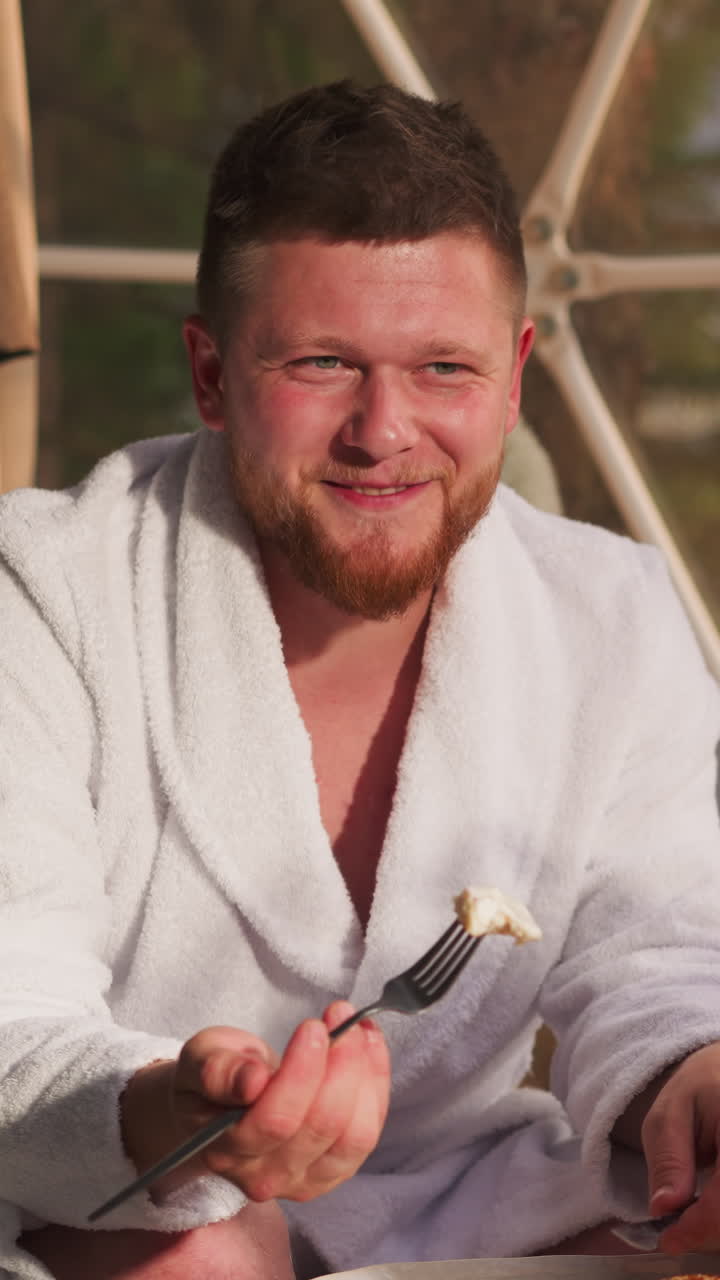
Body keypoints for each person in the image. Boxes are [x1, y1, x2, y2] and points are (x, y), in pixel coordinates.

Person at [0, 80, 719, 1280]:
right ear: (211, 373)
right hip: (115, 1197)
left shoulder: (613, 615)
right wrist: (174, 1111)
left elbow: (661, 957)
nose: (383, 430)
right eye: (323, 362)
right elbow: (8, 1012)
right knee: (209, 1255)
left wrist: (697, 1073)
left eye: (444, 367)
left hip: (460, 1199)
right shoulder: (42, 590)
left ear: (516, 373)